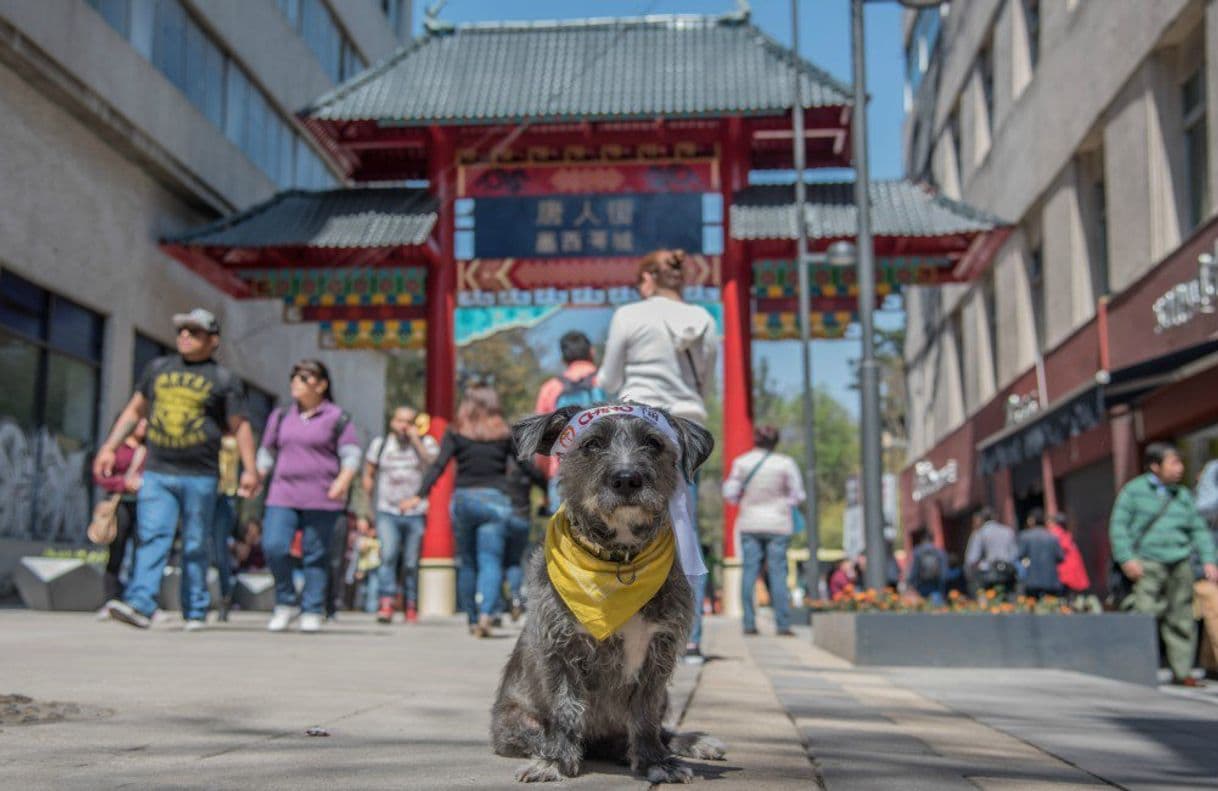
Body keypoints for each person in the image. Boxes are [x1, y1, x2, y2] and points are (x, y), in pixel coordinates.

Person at [93, 308, 258, 630]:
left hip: (201, 474)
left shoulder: (224, 379)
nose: (185, 336)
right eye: (182, 331)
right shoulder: (158, 369)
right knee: (153, 536)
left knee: (196, 543)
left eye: (194, 332)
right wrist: (110, 446)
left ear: (213, 340)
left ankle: (195, 608)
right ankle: (141, 603)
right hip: (157, 470)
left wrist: (250, 470)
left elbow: (240, 427)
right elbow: (133, 410)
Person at [598, 248, 719, 663]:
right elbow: (704, 380)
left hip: (637, 425)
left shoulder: (628, 315)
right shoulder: (704, 320)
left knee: (624, 522)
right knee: (683, 528)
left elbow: (609, 378)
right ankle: (689, 637)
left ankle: (622, 625)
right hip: (683, 431)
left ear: (647, 279)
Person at [405, 384, 518, 638]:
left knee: (468, 561)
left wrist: (418, 495)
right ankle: (488, 612)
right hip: (495, 500)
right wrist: (544, 486)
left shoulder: (456, 431)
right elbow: (524, 466)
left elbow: (438, 466)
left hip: (465, 499)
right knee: (491, 561)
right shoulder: (504, 432)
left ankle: (472, 617)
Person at [257, 359, 361, 634]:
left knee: (316, 555)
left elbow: (351, 454)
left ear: (321, 384)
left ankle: (312, 608)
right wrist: (256, 476)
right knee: (274, 546)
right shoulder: (281, 416)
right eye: (294, 376)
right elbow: (267, 452)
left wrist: (343, 481)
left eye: (304, 377)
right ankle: (285, 601)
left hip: (322, 496)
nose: (296, 382)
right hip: (282, 493)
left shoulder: (337, 417)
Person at [1110, 442, 1218, 687]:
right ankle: (1138, 668)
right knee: (1144, 613)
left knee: (1181, 618)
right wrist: (1126, 558)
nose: (1180, 468)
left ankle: (1182, 672)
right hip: (1146, 564)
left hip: (1180, 562)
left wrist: (1209, 559)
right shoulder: (1134, 491)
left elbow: (1198, 529)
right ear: (1154, 466)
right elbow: (1118, 527)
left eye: (1180, 462)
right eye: (1174, 462)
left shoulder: (1182, 496)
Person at [722, 425, 805, 636]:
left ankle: (749, 623)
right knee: (778, 573)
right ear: (776, 441)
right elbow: (798, 494)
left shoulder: (742, 462)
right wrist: (782, 499)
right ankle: (783, 624)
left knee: (749, 571)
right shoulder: (785, 463)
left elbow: (729, 492)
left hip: (750, 523)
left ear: (756, 440)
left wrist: (746, 497)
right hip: (778, 523)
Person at [362, 405, 438, 624]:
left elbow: (434, 466)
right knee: (388, 555)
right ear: (392, 422)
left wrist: (416, 441)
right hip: (387, 510)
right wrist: (367, 510)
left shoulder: (426, 443)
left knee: (411, 562)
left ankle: (410, 604)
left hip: (416, 511)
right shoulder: (380, 445)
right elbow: (368, 475)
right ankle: (386, 602)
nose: (403, 426)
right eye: (399, 421)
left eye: (408, 422)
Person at [535, 330, 605, 511]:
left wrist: (545, 474)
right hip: (606, 471)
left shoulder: (550, 389)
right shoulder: (606, 382)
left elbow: (541, 442)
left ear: (563, 358)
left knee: (564, 534)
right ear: (592, 352)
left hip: (563, 472)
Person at [92, 418, 147, 603]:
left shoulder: (149, 449)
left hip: (144, 504)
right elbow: (101, 476)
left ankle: (137, 598)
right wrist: (123, 484)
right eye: (140, 423)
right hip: (120, 504)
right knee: (117, 551)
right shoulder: (116, 449)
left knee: (142, 551)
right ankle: (111, 598)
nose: (144, 427)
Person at [212, 435, 240, 621]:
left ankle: (225, 597)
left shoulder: (237, 438)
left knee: (220, 551)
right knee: (196, 547)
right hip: (202, 494)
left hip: (226, 496)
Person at [964, 507, 1018, 596]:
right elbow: (1014, 554)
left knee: (991, 603)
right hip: (1007, 573)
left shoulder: (980, 533)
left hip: (988, 574)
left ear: (982, 519)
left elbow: (972, 558)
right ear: (995, 517)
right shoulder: (1008, 531)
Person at [1018, 508, 1064, 599]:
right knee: (1051, 608)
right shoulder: (1052, 537)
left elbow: (1020, 555)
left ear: (1032, 520)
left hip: (1032, 580)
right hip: (1051, 580)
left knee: (1033, 607)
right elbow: (1060, 557)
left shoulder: (1025, 536)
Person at [1046, 512, 1091, 600]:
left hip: (1064, 571)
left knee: (1063, 597)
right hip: (1072, 571)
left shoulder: (1055, 534)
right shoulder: (1066, 535)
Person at [905, 528, 949, 605]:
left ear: (922, 540)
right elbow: (944, 571)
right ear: (932, 539)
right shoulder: (939, 552)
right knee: (937, 605)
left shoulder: (918, 551)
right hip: (935, 584)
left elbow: (914, 569)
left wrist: (911, 582)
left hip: (922, 583)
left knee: (923, 605)